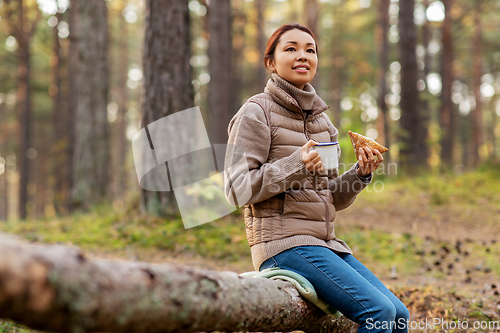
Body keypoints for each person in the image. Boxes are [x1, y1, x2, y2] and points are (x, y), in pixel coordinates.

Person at [224, 23, 409, 333]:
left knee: (398, 313)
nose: (303, 55)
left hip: (325, 245)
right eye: (291, 48)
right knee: (377, 311)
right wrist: (297, 163)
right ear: (271, 62)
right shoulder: (256, 112)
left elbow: (329, 197)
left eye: (310, 50)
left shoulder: (323, 124)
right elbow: (235, 189)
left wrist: (360, 174)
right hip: (282, 245)